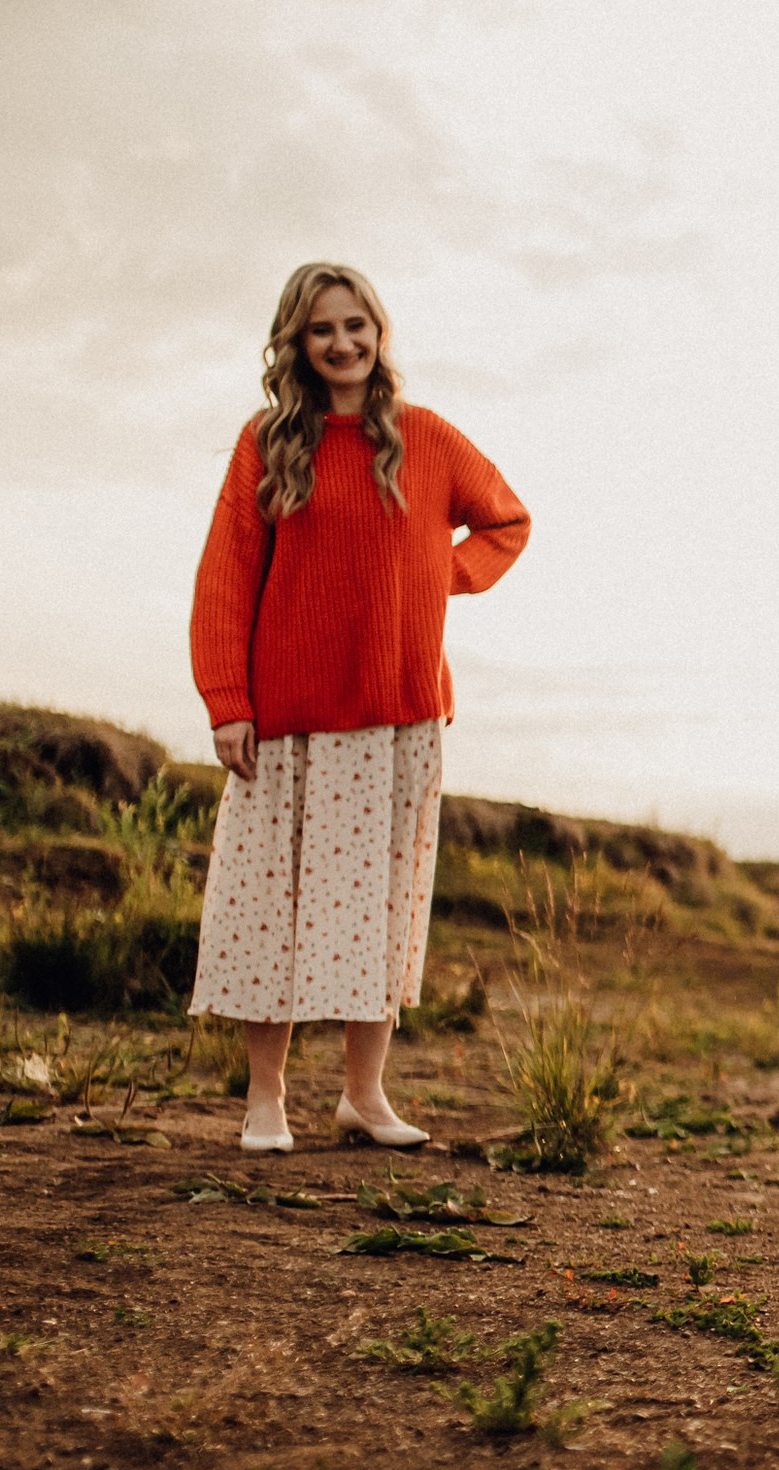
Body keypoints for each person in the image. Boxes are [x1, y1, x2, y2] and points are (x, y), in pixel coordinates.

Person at [187, 262, 530, 1153]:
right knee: (274, 909)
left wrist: (437, 580)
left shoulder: (427, 438)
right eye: (320, 330)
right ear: (296, 344)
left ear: (379, 333)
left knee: (380, 910)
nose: (341, 343)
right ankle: (266, 1100)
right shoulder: (267, 443)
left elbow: (506, 522)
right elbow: (225, 576)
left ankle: (364, 1098)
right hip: (288, 716)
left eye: (355, 326)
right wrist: (228, 700)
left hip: (400, 718)